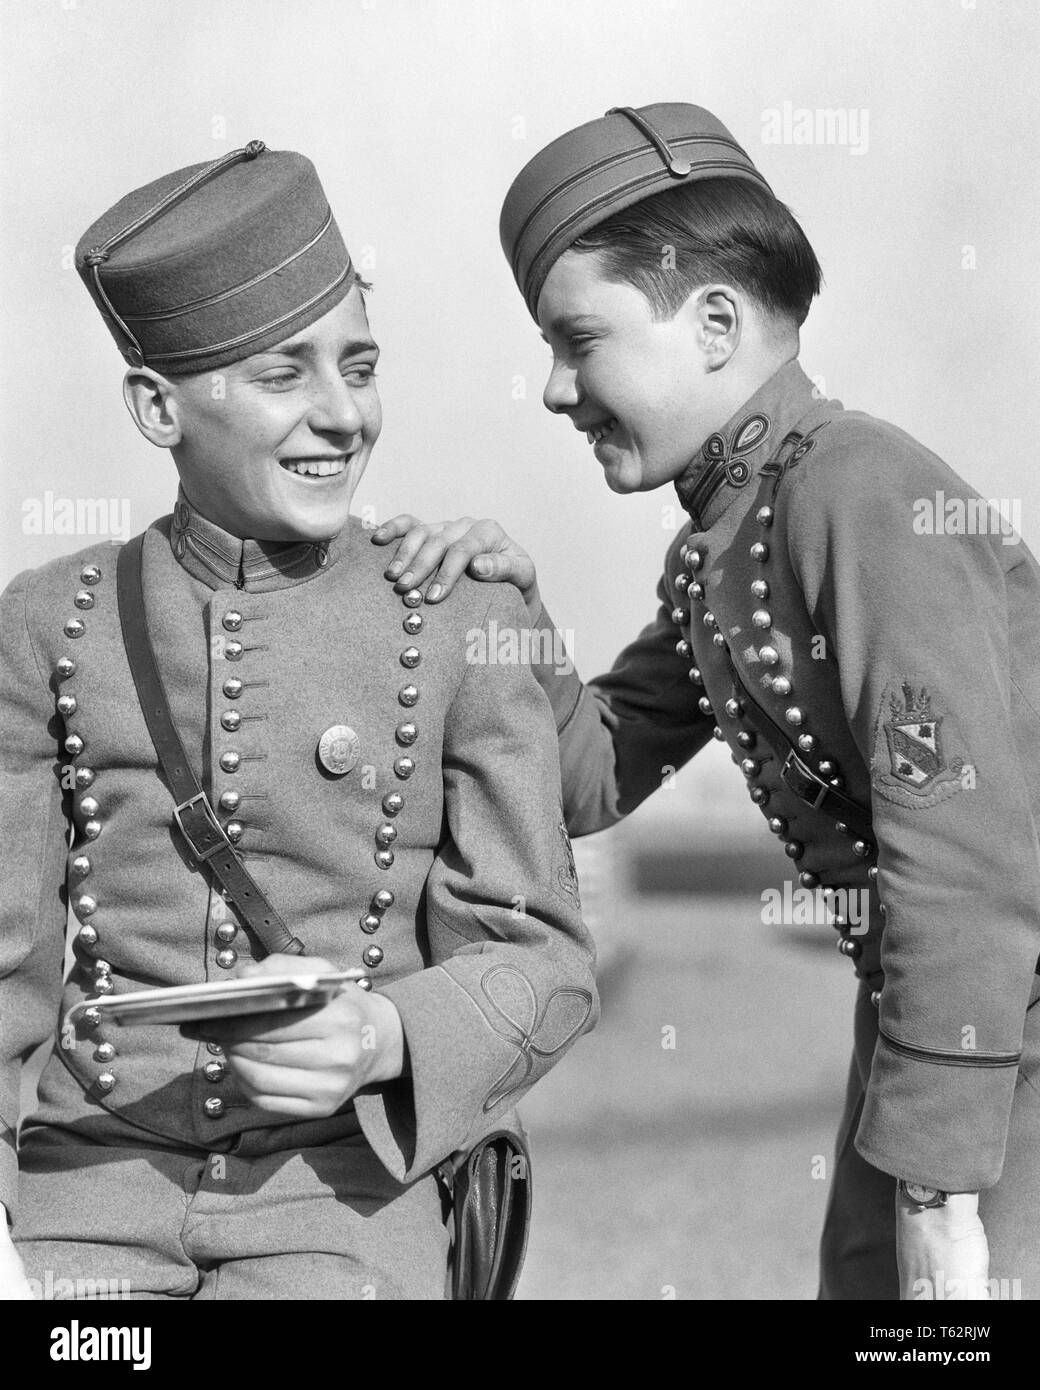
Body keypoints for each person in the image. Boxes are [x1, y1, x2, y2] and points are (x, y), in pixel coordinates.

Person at [373, 102, 1040, 1301]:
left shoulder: (857, 491)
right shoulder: (720, 544)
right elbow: (591, 774)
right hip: (938, 1023)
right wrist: (510, 601)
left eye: (579, 342)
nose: (553, 390)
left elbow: (965, 860)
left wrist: (939, 1192)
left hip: (996, 1022)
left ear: (716, 324)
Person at [0, 140, 597, 1301]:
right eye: (284, 375)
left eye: (360, 366)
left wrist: (383, 1038)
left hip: (342, 1202)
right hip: (87, 1186)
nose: (341, 415)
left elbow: (546, 957)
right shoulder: (45, 626)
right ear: (156, 407)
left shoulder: (456, 609)